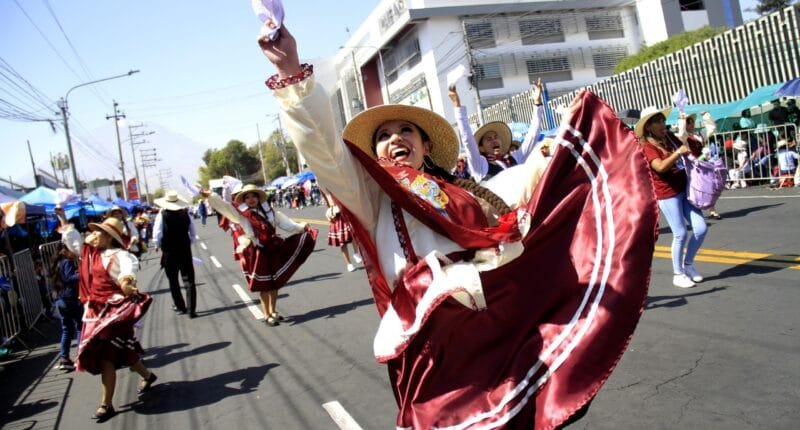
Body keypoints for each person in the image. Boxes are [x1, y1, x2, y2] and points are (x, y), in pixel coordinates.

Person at [258, 26, 658, 428]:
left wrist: (548, 158)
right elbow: (326, 151)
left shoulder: (460, 192)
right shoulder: (371, 197)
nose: (395, 138)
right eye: (383, 135)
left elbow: (510, 190)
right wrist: (293, 74)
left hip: (488, 324)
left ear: (425, 146)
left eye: (405, 131)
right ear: (374, 153)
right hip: (430, 342)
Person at [56, 209, 156, 422]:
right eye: (93, 233)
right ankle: (148, 376)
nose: (92, 236)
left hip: (115, 313)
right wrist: (63, 219)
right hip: (95, 313)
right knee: (123, 353)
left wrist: (127, 282)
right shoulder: (91, 255)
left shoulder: (122, 256)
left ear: (109, 236)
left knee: (106, 357)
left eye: (98, 232)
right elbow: (74, 243)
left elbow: (129, 270)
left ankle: (106, 404)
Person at [202, 184, 317, 326]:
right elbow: (226, 208)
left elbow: (286, 224)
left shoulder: (270, 213)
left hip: (273, 249)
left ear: (258, 198)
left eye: (253, 196)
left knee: (275, 284)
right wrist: (212, 196)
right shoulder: (242, 215)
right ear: (244, 200)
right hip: (258, 252)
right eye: (247, 197)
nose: (251, 199)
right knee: (264, 286)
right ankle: (266, 315)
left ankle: (273, 311)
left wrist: (301, 227)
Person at [638, 106, 708, 288]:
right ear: (648, 127)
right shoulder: (647, 146)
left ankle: (688, 265)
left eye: (663, 120)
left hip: (684, 189)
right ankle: (678, 274)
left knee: (700, 228)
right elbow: (660, 167)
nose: (663, 124)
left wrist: (686, 136)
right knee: (680, 233)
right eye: (658, 122)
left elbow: (688, 148)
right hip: (666, 194)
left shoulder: (668, 137)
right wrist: (677, 153)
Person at [449, 78, 546, 183]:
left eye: (496, 137)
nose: (494, 140)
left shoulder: (514, 159)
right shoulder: (480, 164)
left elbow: (532, 136)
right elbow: (467, 138)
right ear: (481, 148)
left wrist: (537, 103)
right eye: (489, 139)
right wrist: (456, 104)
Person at [153, 191, 198, 318]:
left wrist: (157, 245)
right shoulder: (185, 214)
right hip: (184, 248)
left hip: (169, 250)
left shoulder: (162, 215)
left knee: (173, 280)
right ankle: (191, 309)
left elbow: (157, 233)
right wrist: (191, 241)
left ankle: (180, 306)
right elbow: (193, 230)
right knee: (189, 279)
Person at [676, 111, 722, 219]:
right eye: (688, 122)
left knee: (709, 186)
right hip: (691, 166)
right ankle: (694, 212)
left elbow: (711, 129)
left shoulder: (699, 135)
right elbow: (682, 133)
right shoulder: (683, 137)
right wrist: (682, 120)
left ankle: (712, 209)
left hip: (703, 163)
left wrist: (706, 116)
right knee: (695, 188)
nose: (691, 124)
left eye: (692, 122)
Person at [51, 243, 83, 370]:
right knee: (80, 326)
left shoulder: (56, 264)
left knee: (66, 329)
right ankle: (81, 355)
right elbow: (69, 277)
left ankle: (64, 358)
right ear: (64, 251)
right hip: (70, 299)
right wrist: (82, 273)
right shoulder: (66, 262)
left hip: (60, 300)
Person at [322, 190, 359, 272]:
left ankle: (356, 253)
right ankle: (349, 264)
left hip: (343, 212)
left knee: (353, 234)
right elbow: (328, 202)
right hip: (335, 215)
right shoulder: (323, 187)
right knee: (342, 242)